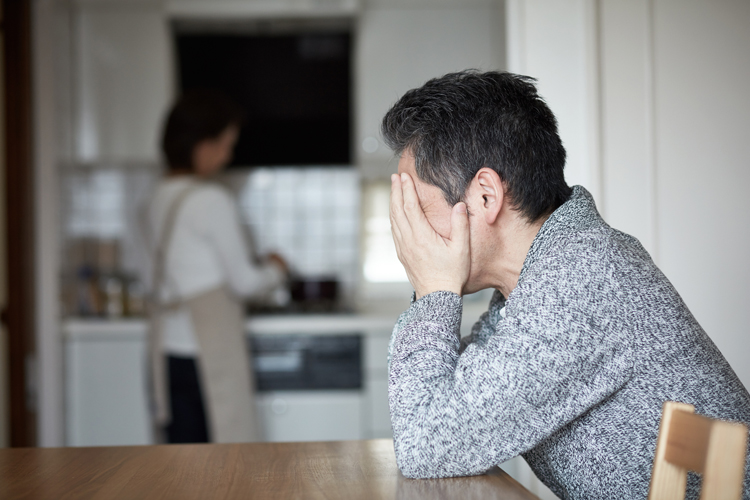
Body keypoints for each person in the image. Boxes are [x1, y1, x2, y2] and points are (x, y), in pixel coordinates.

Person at [383, 70, 750, 498]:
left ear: (486, 196)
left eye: (416, 210)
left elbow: (426, 444)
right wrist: (432, 291)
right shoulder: (538, 281)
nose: (409, 235)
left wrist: (433, 292)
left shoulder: (581, 277)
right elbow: (436, 403)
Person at [144, 90, 287, 444]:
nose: (229, 154)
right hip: (207, 352)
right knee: (223, 465)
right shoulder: (211, 199)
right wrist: (277, 269)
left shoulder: (154, 198)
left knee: (180, 466)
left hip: (165, 352)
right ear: (201, 145)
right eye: (225, 143)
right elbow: (244, 282)